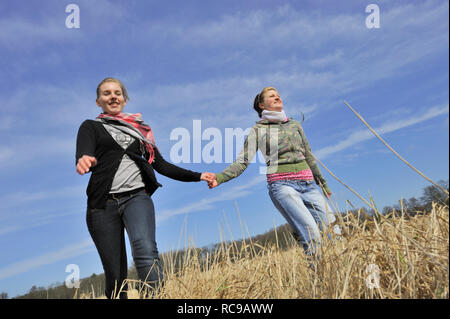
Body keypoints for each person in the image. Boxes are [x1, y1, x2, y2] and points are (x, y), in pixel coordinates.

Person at [76, 77, 214, 298]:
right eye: (107, 93)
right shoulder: (91, 126)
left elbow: (162, 165)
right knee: (115, 273)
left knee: (146, 251)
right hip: (102, 205)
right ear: (98, 101)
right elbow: (84, 149)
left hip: (136, 198)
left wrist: (198, 175)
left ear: (124, 98)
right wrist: (84, 158)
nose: (113, 96)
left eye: (117, 93)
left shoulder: (140, 133)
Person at [209, 87, 341, 258]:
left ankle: (337, 278)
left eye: (278, 94)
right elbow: (242, 161)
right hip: (283, 186)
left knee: (335, 231)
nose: (277, 97)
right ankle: (319, 280)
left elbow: (308, 154)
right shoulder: (257, 130)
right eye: (272, 96)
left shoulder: (294, 125)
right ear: (262, 104)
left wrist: (322, 183)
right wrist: (220, 178)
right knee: (312, 235)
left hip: (309, 185)